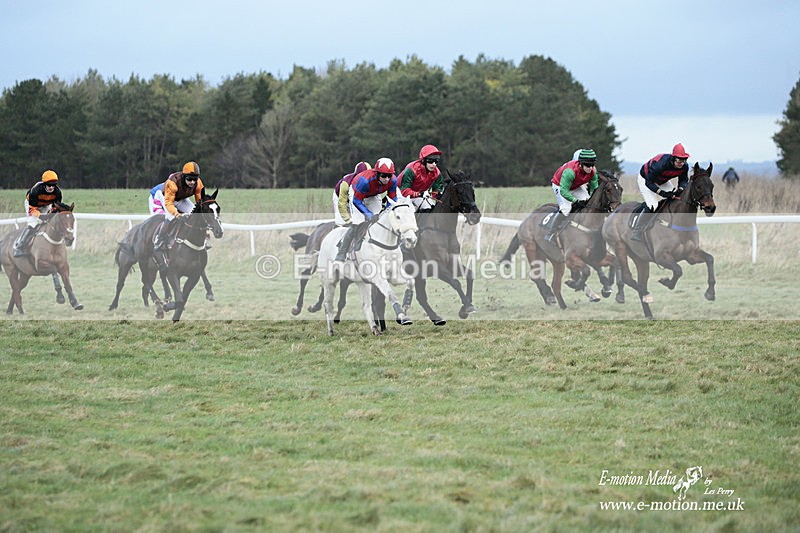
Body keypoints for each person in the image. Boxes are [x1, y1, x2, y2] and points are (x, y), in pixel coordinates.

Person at [334, 157, 399, 262]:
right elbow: (357, 201)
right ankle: (342, 252)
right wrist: (368, 214)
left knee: (379, 220)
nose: (387, 179)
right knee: (358, 222)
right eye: (383, 175)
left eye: (389, 175)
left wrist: (385, 212)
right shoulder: (364, 181)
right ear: (377, 173)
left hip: (373, 195)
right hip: (357, 195)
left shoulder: (393, 180)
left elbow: (393, 199)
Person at [630, 143, 690, 242]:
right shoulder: (660, 165)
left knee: (676, 199)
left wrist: (680, 189)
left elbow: (683, 181)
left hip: (662, 180)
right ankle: (637, 231)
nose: (681, 163)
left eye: (684, 160)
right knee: (653, 205)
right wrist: (662, 193)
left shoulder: (684, 166)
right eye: (679, 160)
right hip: (646, 179)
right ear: (673, 158)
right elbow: (649, 183)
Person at [150, 161, 205, 260]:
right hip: (160, 196)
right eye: (189, 179)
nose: (192, 182)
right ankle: (159, 239)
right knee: (170, 216)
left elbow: (199, 203)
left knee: (194, 213)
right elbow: (169, 203)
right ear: (184, 177)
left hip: (178, 198)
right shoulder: (173, 183)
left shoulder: (198, 184)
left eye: (195, 179)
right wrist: (177, 214)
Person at [543, 149, 599, 243]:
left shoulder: (593, 171)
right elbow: (564, 191)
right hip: (560, 185)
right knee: (566, 208)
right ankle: (550, 234)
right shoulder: (570, 172)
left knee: (588, 202)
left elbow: (594, 187)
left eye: (592, 165)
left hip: (575, 185)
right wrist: (575, 201)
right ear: (581, 164)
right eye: (588, 165)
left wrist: (591, 199)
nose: (590, 168)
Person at [13, 170, 64, 257]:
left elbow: (55, 207)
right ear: (44, 184)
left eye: (53, 185)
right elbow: (32, 209)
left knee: (49, 222)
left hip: (46, 205)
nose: (51, 187)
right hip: (32, 205)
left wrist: (50, 214)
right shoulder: (35, 191)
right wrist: (40, 216)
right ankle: (20, 246)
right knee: (33, 223)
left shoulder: (57, 192)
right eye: (49, 185)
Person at [397, 144, 444, 211]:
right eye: (430, 161)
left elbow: (437, 189)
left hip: (418, 195)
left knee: (429, 208)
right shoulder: (411, 170)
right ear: (423, 160)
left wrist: (436, 195)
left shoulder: (437, 172)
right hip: (400, 193)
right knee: (409, 211)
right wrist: (419, 194)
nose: (434, 164)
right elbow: (404, 191)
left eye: (436, 161)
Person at [333, 161, 371, 226]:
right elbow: (342, 203)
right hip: (340, 197)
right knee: (341, 222)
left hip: (357, 198)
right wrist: (347, 220)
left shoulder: (372, 181)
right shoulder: (346, 183)